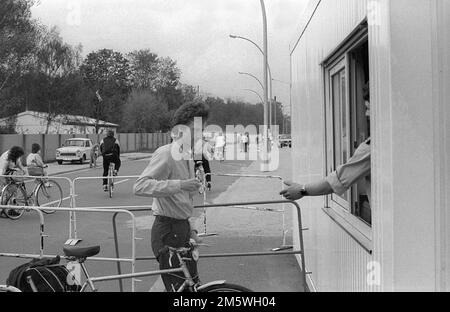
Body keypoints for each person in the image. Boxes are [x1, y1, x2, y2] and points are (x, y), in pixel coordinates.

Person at [133, 100, 208, 292]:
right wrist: (181, 185)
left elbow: (184, 201)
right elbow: (140, 186)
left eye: (202, 129)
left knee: (191, 287)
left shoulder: (188, 156)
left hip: (181, 228)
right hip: (167, 230)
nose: (199, 135)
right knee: (181, 290)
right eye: (195, 129)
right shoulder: (166, 153)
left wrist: (189, 228)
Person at [280, 82, 371, 205]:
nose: (366, 114)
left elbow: (335, 182)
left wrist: (302, 190)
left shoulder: (373, 148)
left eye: (368, 108)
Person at [0, 146, 26, 218]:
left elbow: (19, 163)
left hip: (8, 174)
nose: (20, 157)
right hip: (3, 175)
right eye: (19, 155)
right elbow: (3, 170)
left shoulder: (15, 156)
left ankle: (10, 209)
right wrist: (5, 180)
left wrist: (23, 170)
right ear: (16, 154)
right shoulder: (7, 157)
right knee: (7, 194)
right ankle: (3, 210)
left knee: (12, 192)